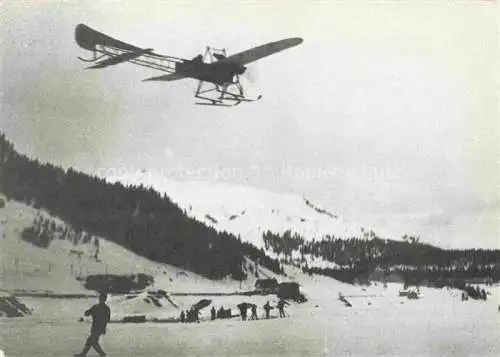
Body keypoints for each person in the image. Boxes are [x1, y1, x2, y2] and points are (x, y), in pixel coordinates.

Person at [74, 292, 111, 357]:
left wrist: (102, 325)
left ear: (105, 299)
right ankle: (99, 353)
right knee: (92, 341)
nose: (101, 299)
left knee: (91, 340)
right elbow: (87, 313)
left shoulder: (106, 308)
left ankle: (99, 353)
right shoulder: (95, 307)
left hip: (99, 328)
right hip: (94, 327)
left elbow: (107, 319)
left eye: (102, 298)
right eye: (100, 298)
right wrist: (87, 312)